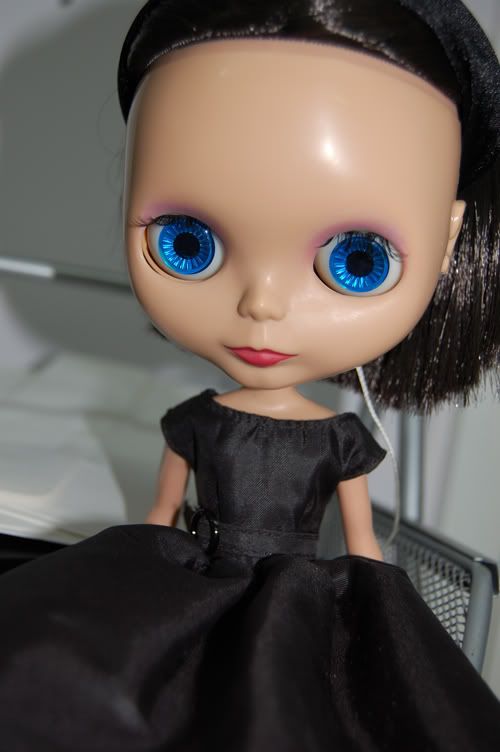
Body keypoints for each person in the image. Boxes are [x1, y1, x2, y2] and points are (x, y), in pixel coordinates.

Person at [0, 1, 499, 750]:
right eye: (188, 242)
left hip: (298, 588)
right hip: (193, 572)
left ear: (449, 238)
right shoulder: (197, 420)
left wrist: (382, 612)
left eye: (356, 260)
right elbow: (160, 514)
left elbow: (361, 542)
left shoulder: (338, 437)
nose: (260, 304)